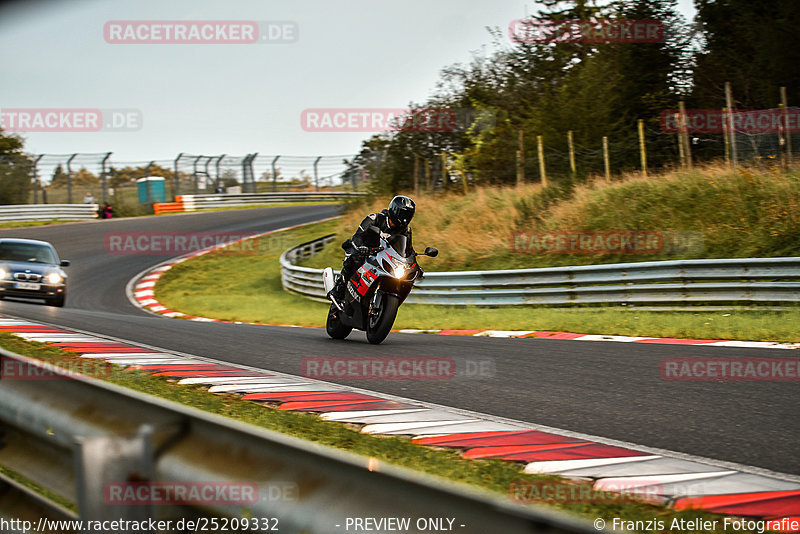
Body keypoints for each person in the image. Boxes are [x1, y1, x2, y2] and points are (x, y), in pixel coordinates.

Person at [328, 195, 415, 306]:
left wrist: (413, 261)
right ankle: (338, 290)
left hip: (385, 255)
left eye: (408, 215)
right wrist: (360, 247)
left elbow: (407, 249)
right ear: (394, 210)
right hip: (365, 250)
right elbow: (358, 236)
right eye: (403, 213)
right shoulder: (375, 218)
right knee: (354, 259)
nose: (405, 218)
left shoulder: (406, 230)